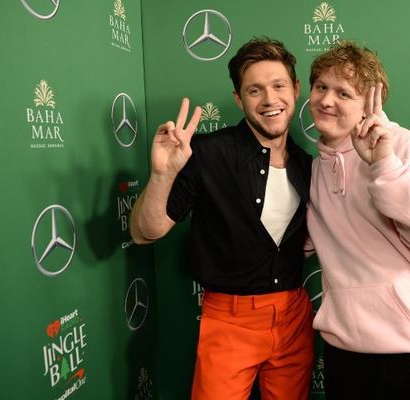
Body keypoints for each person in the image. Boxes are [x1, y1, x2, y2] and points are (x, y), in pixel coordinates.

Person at [130, 38, 313, 400]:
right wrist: (163, 175)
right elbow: (144, 233)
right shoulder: (207, 153)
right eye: (255, 90)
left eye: (278, 86)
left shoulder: (308, 164)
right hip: (230, 319)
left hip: (294, 316)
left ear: (295, 89)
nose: (270, 100)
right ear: (238, 98)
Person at [306, 41, 410, 399]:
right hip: (350, 355)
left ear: (370, 102)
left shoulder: (403, 146)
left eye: (343, 93)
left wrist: (384, 165)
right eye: (320, 86)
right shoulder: (311, 170)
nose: (326, 100)